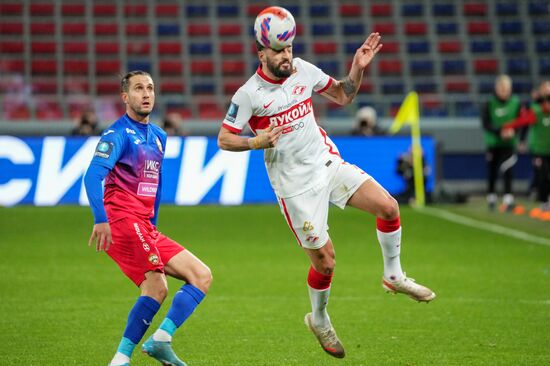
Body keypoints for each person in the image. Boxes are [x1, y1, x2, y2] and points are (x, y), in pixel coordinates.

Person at [217, 7, 435, 359]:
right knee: (326, 263)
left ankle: (393, 275)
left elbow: (344, 94)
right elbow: (224, 139)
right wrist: (255, 142)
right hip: (295, 188)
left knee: (389, 207)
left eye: (288, 49)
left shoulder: (303, 69)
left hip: (326, 162)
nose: (286, 56)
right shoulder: (249, 94)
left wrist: (357, 68)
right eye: (278, 52)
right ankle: (318, 319)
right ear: (262, 53)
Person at [84, 70, 212, 366]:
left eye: (151, 88)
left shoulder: (158, 136)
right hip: (120, 220)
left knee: (201, 275)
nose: (146, 93)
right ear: (125, 97)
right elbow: (93, 176)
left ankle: (161, 340)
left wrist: (152, 223)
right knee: (157, 285)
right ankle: (120, 360)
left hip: (144, 225)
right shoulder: (117, 134)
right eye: (139, 88)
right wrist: (100, 219)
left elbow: (155, 184)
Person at [504, 80, 550, 221]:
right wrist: (507, 127)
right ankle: (544, 204)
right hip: (539, 150)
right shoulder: (536, 112)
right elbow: (521, 122)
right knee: (542, 176)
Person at [481, 74, 522, 212]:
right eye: (502, 87)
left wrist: (513, 132)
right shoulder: (489, 103)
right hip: (493, 143)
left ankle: (508, 199)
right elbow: (486, 123)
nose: (504, 90)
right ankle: (491, 197)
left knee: (508, 170)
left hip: (509, 144)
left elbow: (521, 121)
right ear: (496, 88)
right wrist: (500, 131)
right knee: (492, 170)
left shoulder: (516, 102)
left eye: (506, 88)